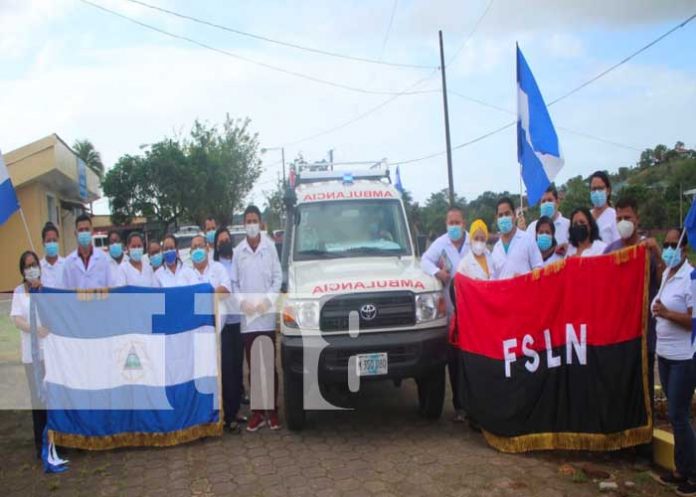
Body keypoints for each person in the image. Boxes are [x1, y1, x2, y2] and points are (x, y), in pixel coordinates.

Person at [650, 229, 696, 494]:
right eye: (666, 244)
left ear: (684, 250)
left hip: (684, 358)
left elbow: (693, 321)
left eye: (673, 244)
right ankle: (680, 470)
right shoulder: (667, 274)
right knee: (675, 414)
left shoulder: (691, 277)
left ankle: (692, 472)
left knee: (679, 416)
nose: (669, 248)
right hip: (665, 357)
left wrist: (666, 313)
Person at [231, 205, 282, 432]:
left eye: (254, 220)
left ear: (261, 223)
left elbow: (277, 278)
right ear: (244, 224)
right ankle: (258, 412)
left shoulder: (270, 248)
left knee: (269, 366)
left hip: (266, 316)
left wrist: (267, 302)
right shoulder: (238, 251)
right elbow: (233, 282)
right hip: (248, 319)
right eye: (248, 220)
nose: (251, 224)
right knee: (253, 368)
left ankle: (272, 411)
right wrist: (242, 302)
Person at [420, 206, 469, 422]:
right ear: (446, 224)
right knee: (454, 361)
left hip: (471, 312)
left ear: (464, 223)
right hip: (450, 314)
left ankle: (473, 404)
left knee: (471, 361)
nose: (454, 226)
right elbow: (424, 260)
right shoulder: (440, 244)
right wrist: (437, 272)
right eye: (451, 223)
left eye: (458, 222)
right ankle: (459, 405)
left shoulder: (474, 243)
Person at [11, 250, 48, 459]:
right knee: (37, 402)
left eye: (34, 264)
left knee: (50, 399)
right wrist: (32, 329)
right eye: (27, 266)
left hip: (48, 354)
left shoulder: (45, 289)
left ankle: (55, 440)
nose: (31, 268)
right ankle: (40, 444)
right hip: (31, 356)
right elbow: (16, 320)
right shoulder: (18, 292)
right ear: (22, 270)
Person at [214, 227, 246, 432]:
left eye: (227, 240)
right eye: (221, 241)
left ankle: (235, 411)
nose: (224, 243)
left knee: (237, 369)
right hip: (224, 325)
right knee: (226, 371)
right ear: (216, 245)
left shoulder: (238, 261)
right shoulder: (215, 266)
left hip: (240, 322)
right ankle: (227, 416)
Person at [491, 197, 543, 279]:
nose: (504, 218)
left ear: (514, 215)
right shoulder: (496, 250)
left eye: (507, 214)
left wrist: (525, 278)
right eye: (500, 215)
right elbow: (493, 279)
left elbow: (539, 268)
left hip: (524, 290)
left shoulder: (528, 239)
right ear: (497, 218)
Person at [62, 213, 115, 289]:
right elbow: (65, 292)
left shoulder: (104, 258)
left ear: (92, 231)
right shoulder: (68, 262)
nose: (84, 233)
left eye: (87, 229)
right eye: (80, 230)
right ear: (75, 233)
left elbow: (111, 287)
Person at [589, 171, 620, 245]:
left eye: (600, 188)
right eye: (594, 189)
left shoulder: (615, 216)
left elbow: (618, 245)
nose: (596, 192)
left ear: (608, 191)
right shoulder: (586, 216)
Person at [39, 222, 65, 289]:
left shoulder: (67, 265)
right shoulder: (38, 268)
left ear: (58, 241)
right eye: (48, 241)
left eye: (54, 240)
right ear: (43, 243)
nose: (52, 243)